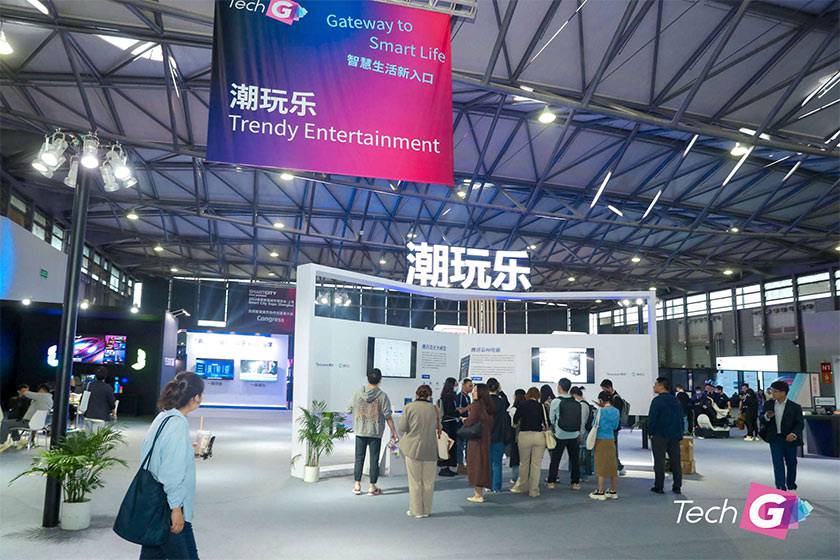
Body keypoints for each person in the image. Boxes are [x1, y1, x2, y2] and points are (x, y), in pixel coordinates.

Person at [138, 371, 204, 560]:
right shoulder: (177, 425)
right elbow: (170, 472)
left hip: (154, 501)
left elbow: (157, 454)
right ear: (195, 397)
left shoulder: (163, 417)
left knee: (152, 554)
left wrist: (187, 450)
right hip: (168, 506)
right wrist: (176, 509)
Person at [349, 368, 397, 496]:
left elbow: (349, 408)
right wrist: (394, 431)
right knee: (374, 459)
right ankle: (372, 486)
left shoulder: (358, 393)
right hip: (375, 432)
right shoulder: (382, 396)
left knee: (359, 458)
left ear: (368, 378)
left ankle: (357, 485)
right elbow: (388, 416)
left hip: (360, 430)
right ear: (380, 380)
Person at [399, 384, 440, 519]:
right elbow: (439, 427)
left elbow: (402, 427)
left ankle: (416, 511)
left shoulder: (409, 407)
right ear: (430, 396)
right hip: (431, 448)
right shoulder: (435, 409)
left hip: (413, 448)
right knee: (428, 482)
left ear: (416, 394)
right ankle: (427, 510)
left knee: (415, 481)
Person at [761, 380, 804, 491]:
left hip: (789, 438)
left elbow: (799, 424)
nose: (772, 393)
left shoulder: (795, 407)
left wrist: (794, 434)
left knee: (791, 462)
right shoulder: (768, 404)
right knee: (777, 462)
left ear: (783, 392)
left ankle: (790, 483)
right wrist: (766, 416)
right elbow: (761, 418)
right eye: (772, 391)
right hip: (775, 438)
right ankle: (780, 486)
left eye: (775, 391)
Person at [648, 377, 683, 495]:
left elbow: (652, 419)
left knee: (659, 461)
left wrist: (651, 432)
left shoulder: (657, 401)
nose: (654, 386)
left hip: (659, 435)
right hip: (674, 435)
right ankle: (677, 486)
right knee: (675, 461)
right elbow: (680, 418)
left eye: (655, 384)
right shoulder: (676, 401)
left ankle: (659, 486)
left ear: (661, 386)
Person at [510, 387, 547, 497]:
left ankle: (522, 486)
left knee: (524, 463)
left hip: (525, 436)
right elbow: (547, 422)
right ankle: (534, 490)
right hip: (539, 436)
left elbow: (515, 420)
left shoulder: (522, 405)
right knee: (536, 465)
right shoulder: (541, 406)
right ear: (538, 395)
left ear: (528, 394)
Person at [547, 378, 581, 490]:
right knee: (574, 459)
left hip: (561, 434)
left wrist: (554, 428)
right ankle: (575, 483)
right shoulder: (576, 402)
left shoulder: (556, 401)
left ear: (560, 387)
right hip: (574, 433)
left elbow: (551, 419)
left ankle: (551, 481)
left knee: (555, 459)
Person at [463, 383, 494, 503]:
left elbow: (471, 420)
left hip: (476, 440)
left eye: (475, 390)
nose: (472, 392)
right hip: (485, 438)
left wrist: (465, 421)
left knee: (476, 465)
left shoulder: (476, 405)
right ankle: (479, 492)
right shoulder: (488, 405)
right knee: (482, 464)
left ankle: (478, 494)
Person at [0, 384, 53, 452]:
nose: (37, 392)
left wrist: (24, 391)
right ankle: (18, 440)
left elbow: (26, 393)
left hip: (29, 422)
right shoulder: (50, 400)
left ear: (42, 390)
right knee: (12, 423)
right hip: (39, 424)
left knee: (5, 423)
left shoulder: (42, 396)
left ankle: (1, 443)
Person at [589, 390, 620, 501]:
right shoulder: (616, 411)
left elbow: (594, 424)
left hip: (600, 440)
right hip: (611, 439)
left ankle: (600, 491)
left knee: (600, 465)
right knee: (612, 465)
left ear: (601, 400)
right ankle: (613, 491)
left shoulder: (600, 411)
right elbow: (615, 426)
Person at [487, 378, 511, 493]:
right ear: (497, 387)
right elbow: (507, 403)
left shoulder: (484, 402)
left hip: (486, 436)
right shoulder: (501, 402)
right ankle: (496, 487)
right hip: (499, 435)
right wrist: (501, 391)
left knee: (487, 463)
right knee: (497, 463)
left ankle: (488, 485)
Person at [599, 379, 625, 473]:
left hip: (612, 428)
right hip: (610, 427)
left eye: (604, 389)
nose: (603, 391)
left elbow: (615, 415)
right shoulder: (611, 397)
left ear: (609, 387)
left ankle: (618, 467)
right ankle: (616, 466)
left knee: (612, 448)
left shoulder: (616, 399)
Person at [437, 377, 459, 477]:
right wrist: (458, 412)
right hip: (448, 424)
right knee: (447, 446)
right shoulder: (448, 397)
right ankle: (444, 467)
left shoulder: (448, 396)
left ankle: (447, 467)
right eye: (455, 385)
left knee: (448, 446)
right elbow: (450, 411)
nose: (456, 387)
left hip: (449, 424)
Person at [571, 386, 594, 479]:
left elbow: (582, 422)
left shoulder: (582, 405)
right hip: (584, 433)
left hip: (583, 433)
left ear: (575, 395)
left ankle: (583, 474)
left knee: (581, 455)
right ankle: (583, 473)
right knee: (584, 453)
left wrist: (580, 434)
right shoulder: (584, 404)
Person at [455, 378, 473, 475]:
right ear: (463, 385)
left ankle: (467, 464)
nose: (471, 388)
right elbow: (459, 411)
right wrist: (468, 408)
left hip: (467, 424)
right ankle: (460, 465)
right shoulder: (460, 397)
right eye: (470, 386)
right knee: (460, 445)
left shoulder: (468, 397)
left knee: (467, 445)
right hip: (461, 425)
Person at [509, 388, 526, 483]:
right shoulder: (527, 408)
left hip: (515, 435)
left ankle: (515, 477)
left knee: (515, 456)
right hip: (526, 434)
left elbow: (512, 424)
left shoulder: (513, 410)